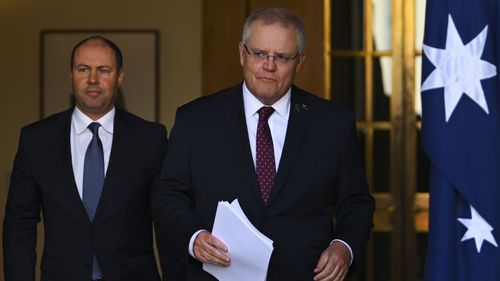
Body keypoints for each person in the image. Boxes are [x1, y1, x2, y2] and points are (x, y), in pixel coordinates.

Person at [152, 7, 375, 281]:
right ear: (242, 54)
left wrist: (344, 247)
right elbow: (167, 195)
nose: (269, 65)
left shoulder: (333, 124)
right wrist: (194, 237)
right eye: (259, 54)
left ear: (300, 61)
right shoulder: (195, 120)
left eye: (281, 57)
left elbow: (357, 203)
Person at [3, 36, 169, 281]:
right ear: (71, 75)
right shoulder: (36, 140)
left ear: (120, 76)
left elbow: (168, 219)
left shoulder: (150, 139)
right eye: (83, 69)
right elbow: (19, 225)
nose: (93, 79)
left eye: (103, 70)